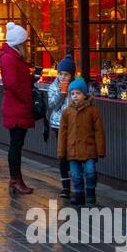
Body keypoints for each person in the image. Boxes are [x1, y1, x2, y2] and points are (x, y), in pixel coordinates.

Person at [0, 21, 35, 194]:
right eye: (24, 43)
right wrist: (26, 98)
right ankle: (15, 179)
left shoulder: (12, 57)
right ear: (18, 43)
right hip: (16, 107)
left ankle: (16, 179)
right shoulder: (9, 58)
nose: (26, 46)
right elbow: (12, 84)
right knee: (16, 144)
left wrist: (30, 79)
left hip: (16, 106)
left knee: (17, 144)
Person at [57, 78, 104, 205]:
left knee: (90, 171)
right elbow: (62, 133)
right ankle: (79, 194)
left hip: (89, 148)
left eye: (78, 93)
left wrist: (100, 149)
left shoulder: (92, 110)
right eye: (72, 94)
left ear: (84, 94)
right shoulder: (67, 112)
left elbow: (98, 130)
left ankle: (90, 191)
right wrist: (61, 151)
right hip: (72, 149)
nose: (75, 96)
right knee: (76, 174)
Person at [47, 54, 77, 198]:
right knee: (62, 155)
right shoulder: (53, 86)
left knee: (74, 154)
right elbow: (52, 105)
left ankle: (77, 183)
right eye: (60, 74)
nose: (63, 77)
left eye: (66, 74)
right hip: (57, 124)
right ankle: (65, 187)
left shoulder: (77, 87)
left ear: (72, 75)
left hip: (74, 125)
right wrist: (61, 94)